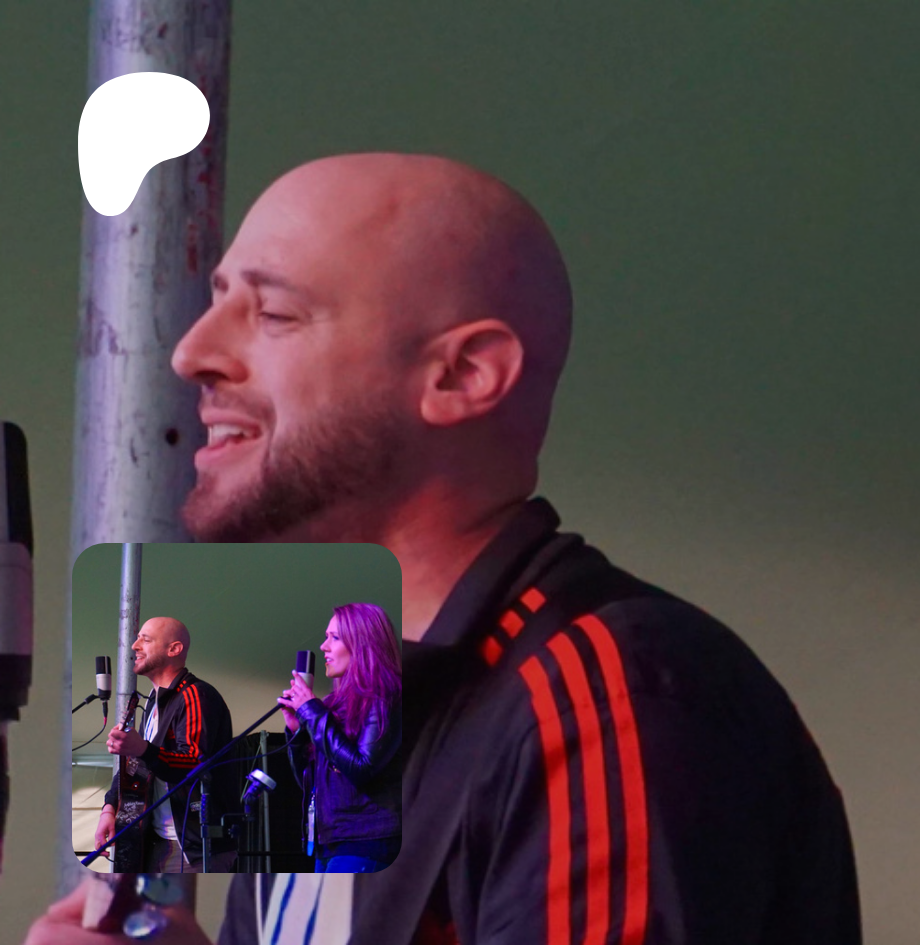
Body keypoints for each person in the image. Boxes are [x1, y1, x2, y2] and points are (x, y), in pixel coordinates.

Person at [32, 152, 859, 944]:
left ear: (465, 375)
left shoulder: (599, 692)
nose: (191, 353)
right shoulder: (325, 707)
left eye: (274, 313)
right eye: (217, 302)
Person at [96, 617, 236, 874]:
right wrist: (109, 807)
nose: (134, 645)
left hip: (194, 847)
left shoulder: (195, 694)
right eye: (137, 638)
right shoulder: (153, 701)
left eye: (145, 639)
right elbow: (136, 765)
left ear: (174, 649)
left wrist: (141, 748)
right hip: (160, 841)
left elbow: (194, 763)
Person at [276, 603, 403, 873]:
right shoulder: (332, 704)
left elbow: (362, 767)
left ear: (362, 643)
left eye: (334, 637)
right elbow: (310, 782)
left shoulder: (384, 696)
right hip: (329, 841)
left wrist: (311, 711)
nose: (323, 646)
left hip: (365, 840)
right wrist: (298, 731)